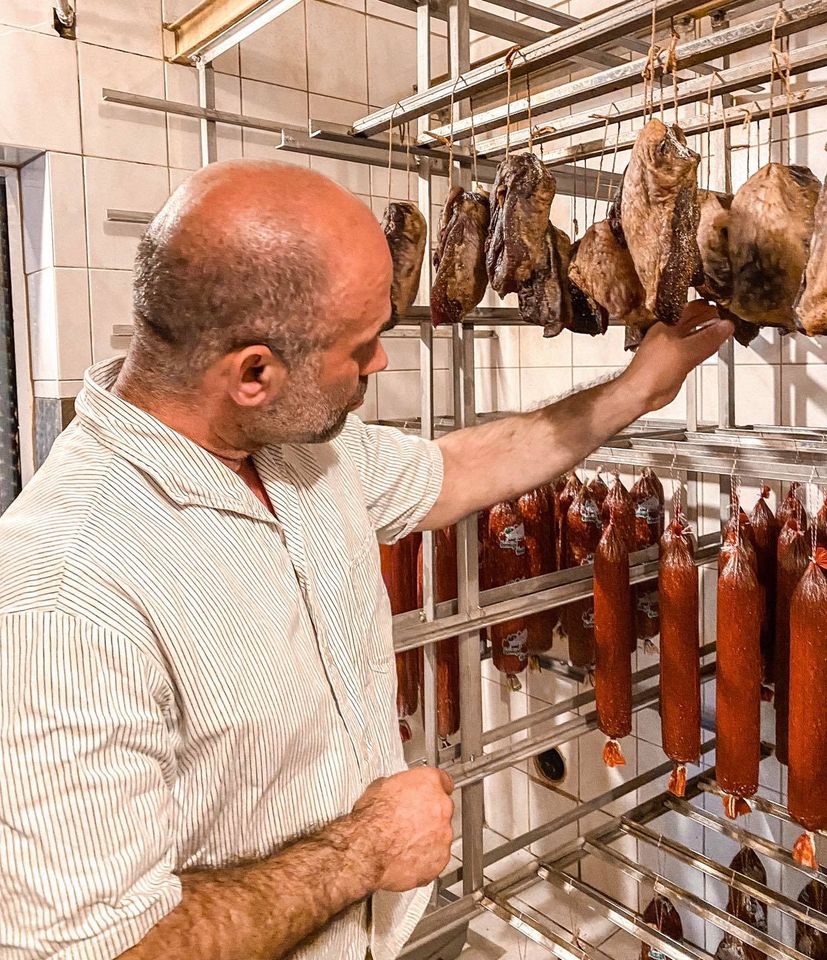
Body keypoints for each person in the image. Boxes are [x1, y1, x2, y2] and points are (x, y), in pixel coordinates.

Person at [0, 159, 731, 960]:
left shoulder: (295, 451)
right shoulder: (65, 594)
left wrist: (632, 392)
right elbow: (98, 949)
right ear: (253, 373)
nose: (379, 364)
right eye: (362, 346)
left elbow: (458, 470)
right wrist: (364, 850)